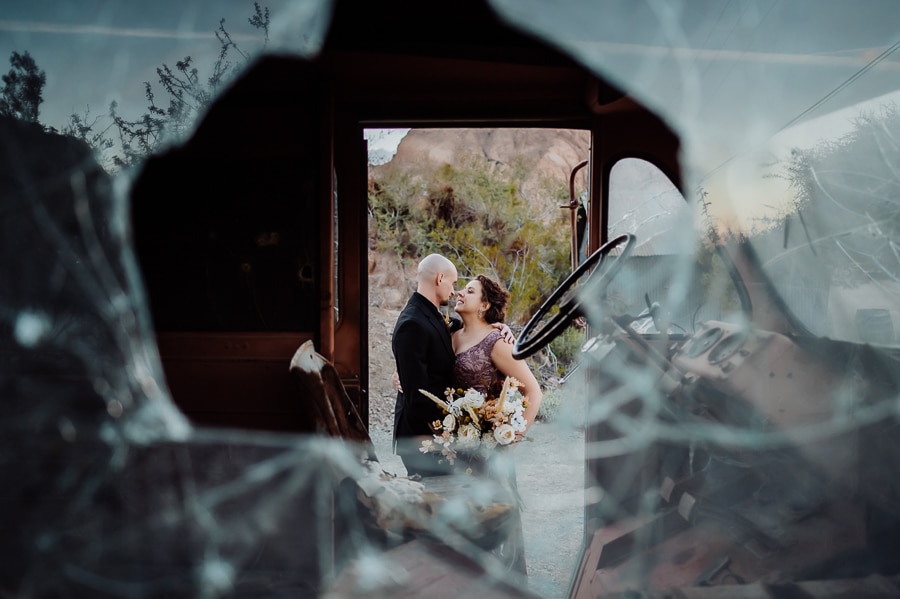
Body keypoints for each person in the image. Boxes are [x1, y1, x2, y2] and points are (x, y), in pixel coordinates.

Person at [451, 274, 542, 576]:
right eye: (462, 288)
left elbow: (534, 391)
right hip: (457, 444)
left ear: (484, 304)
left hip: (490, 449)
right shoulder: (450, 333)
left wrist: (512, 436)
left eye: (470, 290)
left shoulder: (496, 341)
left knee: (494, 524)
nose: (460, 292)